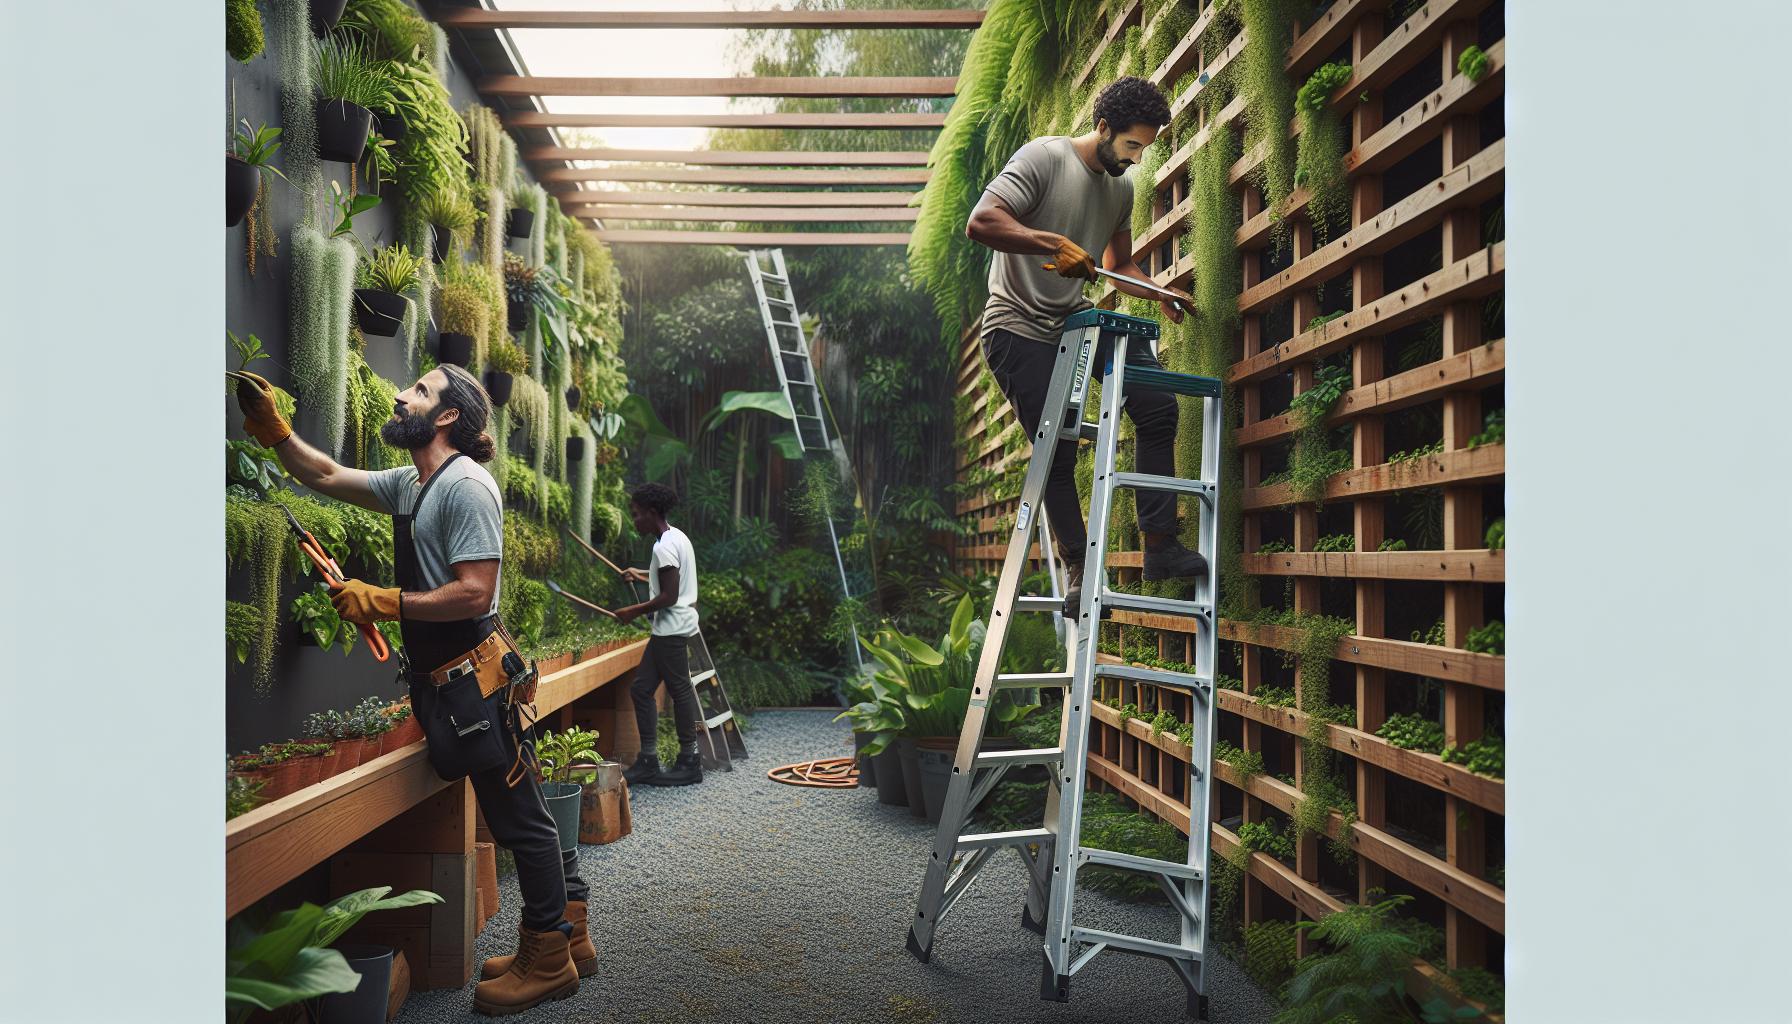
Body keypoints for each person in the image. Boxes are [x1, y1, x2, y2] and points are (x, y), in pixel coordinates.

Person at [233, 365, 594, 1017]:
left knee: (521, 821)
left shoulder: (466, 487)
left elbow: (476, 592)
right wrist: (276, 434)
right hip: (457, 686)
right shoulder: (412, 484)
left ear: (448, 416)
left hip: (478, 683)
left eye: (420, 391)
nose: (401, 396)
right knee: (524, 807)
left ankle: (549, 960)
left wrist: (384, 600)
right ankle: (570, 938)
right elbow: (323, 475)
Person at [965, 75, 1209, 611]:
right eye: (1132, 145)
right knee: (1056, 446)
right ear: (1102, 127)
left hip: (1075, 322)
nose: (1138, 158)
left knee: (1156, 403)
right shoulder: (1044, 159)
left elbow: (1117, 264)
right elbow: (981, 222)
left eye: (1144, 147)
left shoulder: (1121, 186)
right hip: (1016, 327)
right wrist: (1052, 242)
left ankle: (1161, 545)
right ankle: (1077, 565)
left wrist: (1157, 291)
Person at [613, 482, 706, 788]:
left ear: (652, 513)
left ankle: (689, 762)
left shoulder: (663, 546)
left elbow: (668, 595)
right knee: (641, 689)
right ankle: (649, 761)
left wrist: (632, 611)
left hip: (671, 627)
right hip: (671, 627)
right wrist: (639, 574)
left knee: (679, 692)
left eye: (637, 514)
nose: (634, 520)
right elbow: (669, 576)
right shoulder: (674, 536)